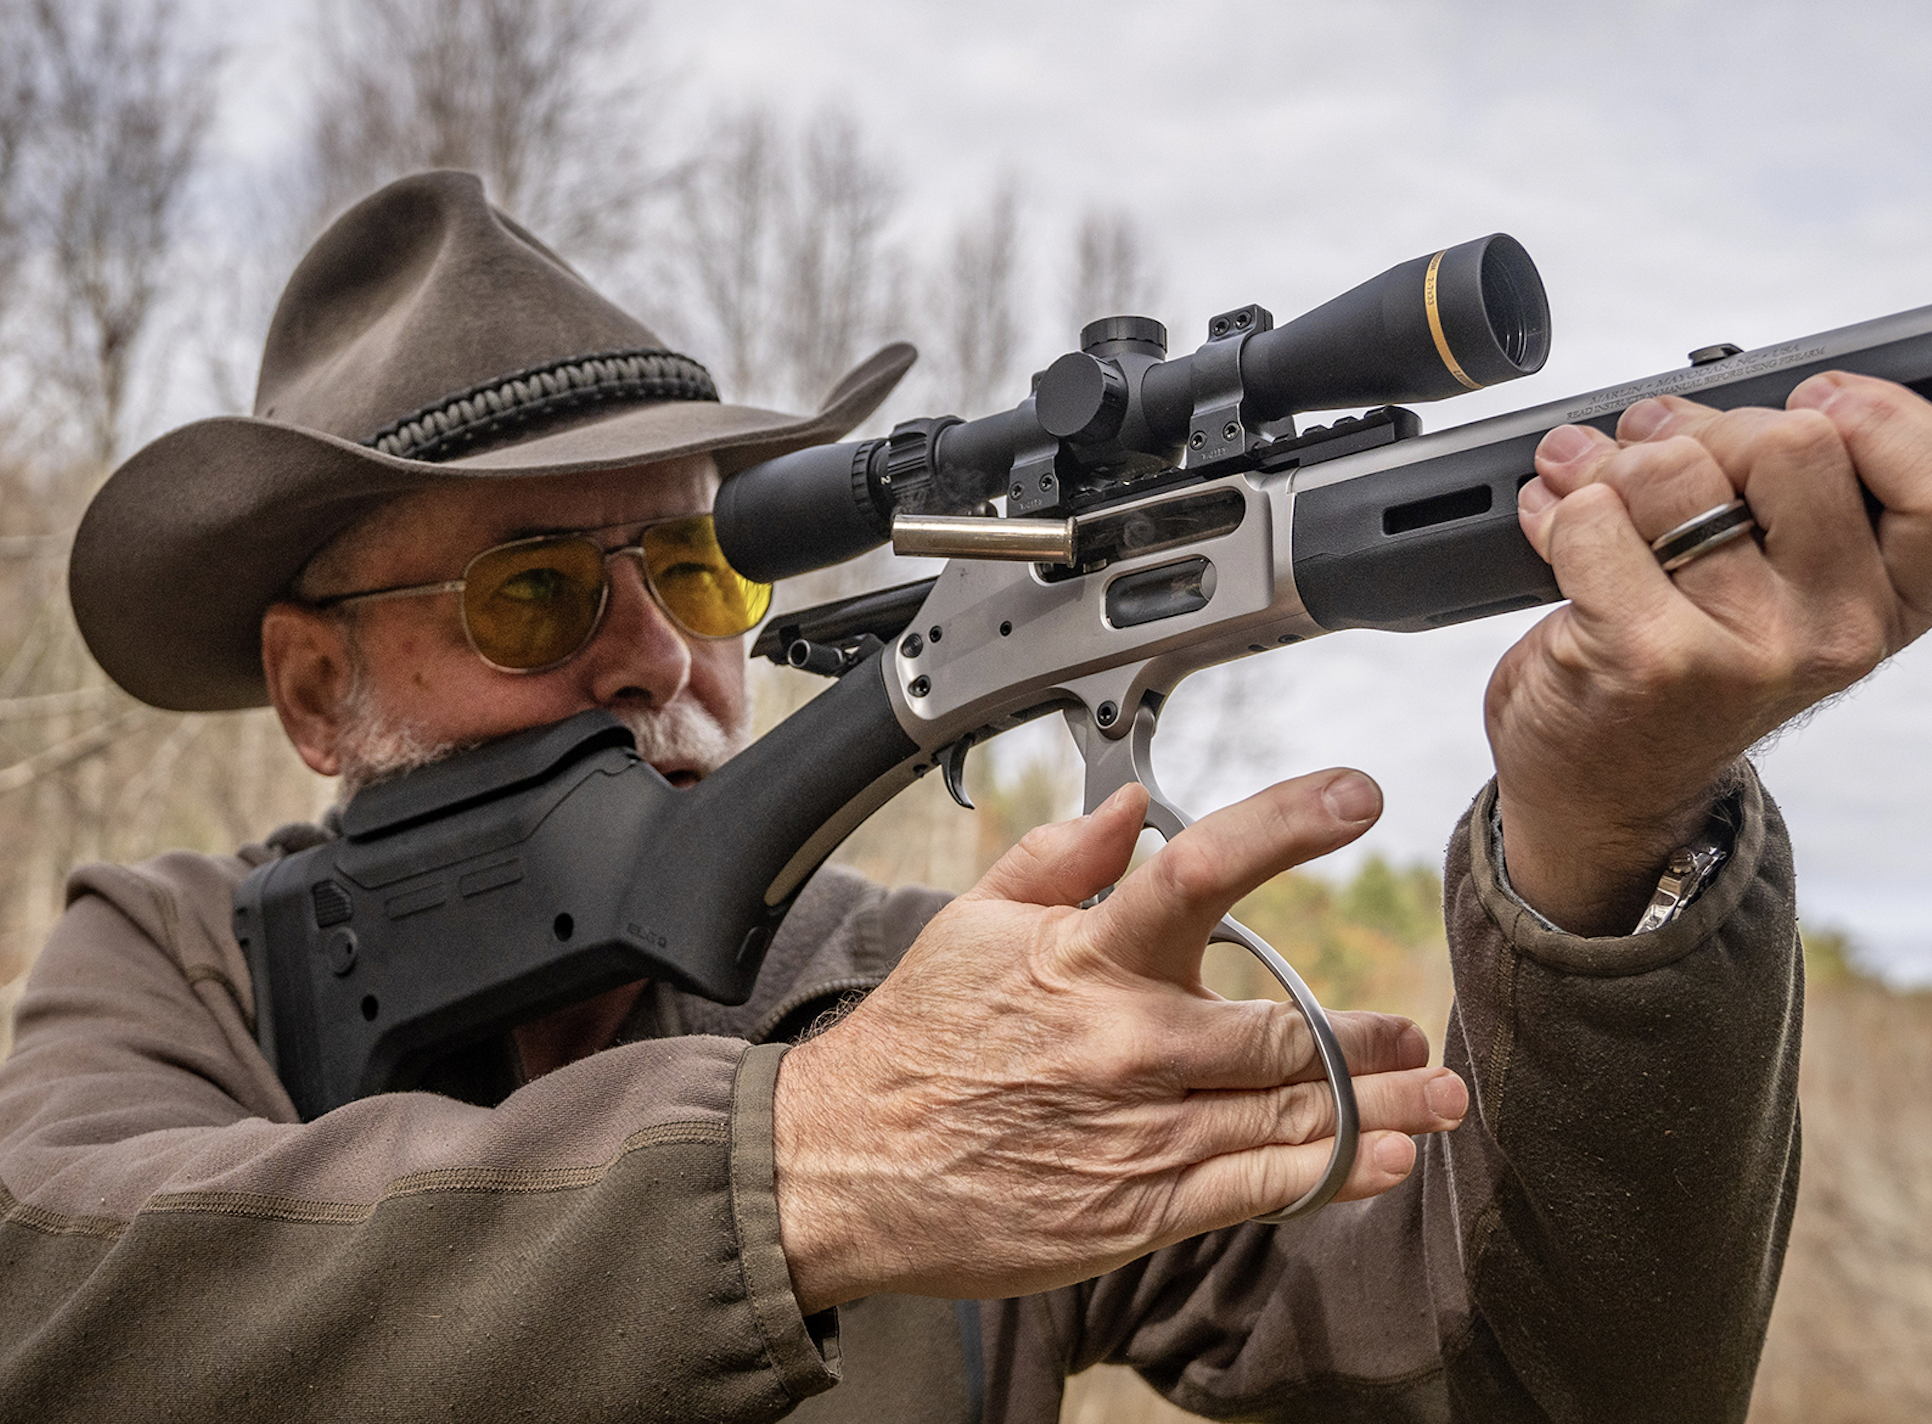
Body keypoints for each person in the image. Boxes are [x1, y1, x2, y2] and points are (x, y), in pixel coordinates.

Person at [1, 169, 1928, 1424]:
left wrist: (1611, 847)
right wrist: (820, 1164)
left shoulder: (923, 994)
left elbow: (1543, 1384)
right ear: (316, 688)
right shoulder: (179, 970)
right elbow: (51, 1299)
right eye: (531, 595)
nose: (661, 662)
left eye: (695, 575)